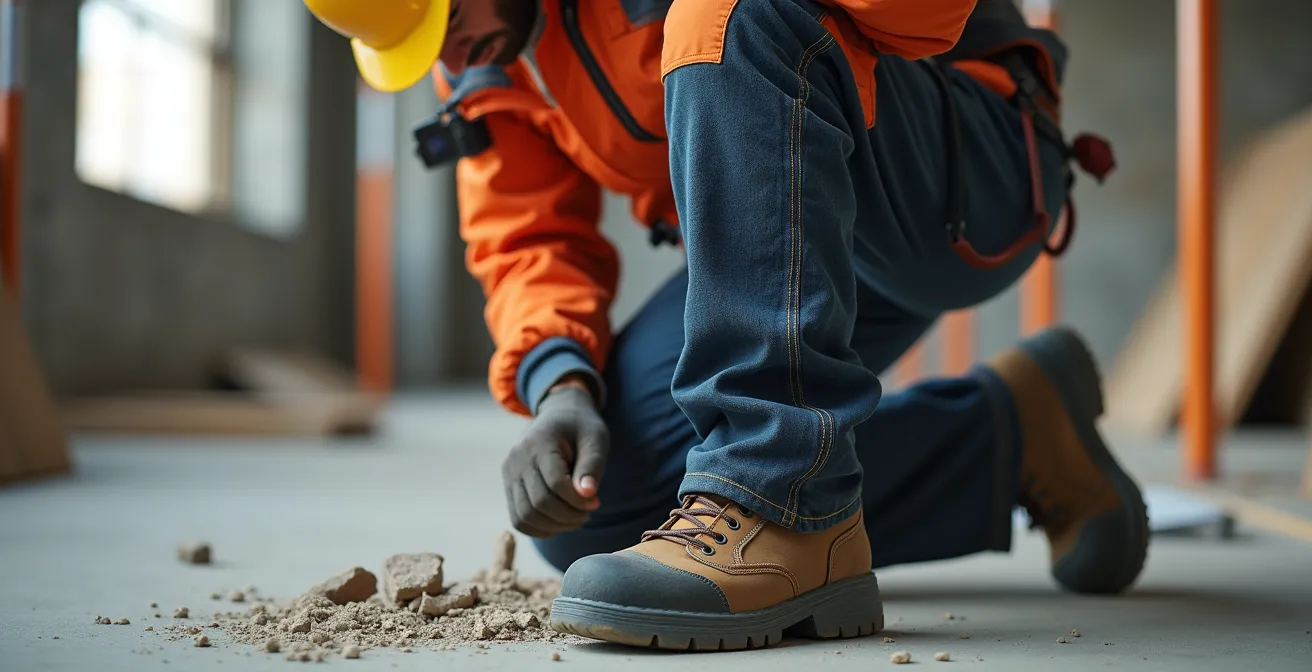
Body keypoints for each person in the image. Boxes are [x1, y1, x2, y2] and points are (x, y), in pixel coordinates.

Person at [303, 0, 1144, 651]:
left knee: (737, 10)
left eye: (449, 15)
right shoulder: (493, 57)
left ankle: (780, 492)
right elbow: (530, 238)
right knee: (607, 503)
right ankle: (1010, 437)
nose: (451, 56)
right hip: (794, 235)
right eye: (423, 44)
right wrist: (561, 384)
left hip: (962, 166)